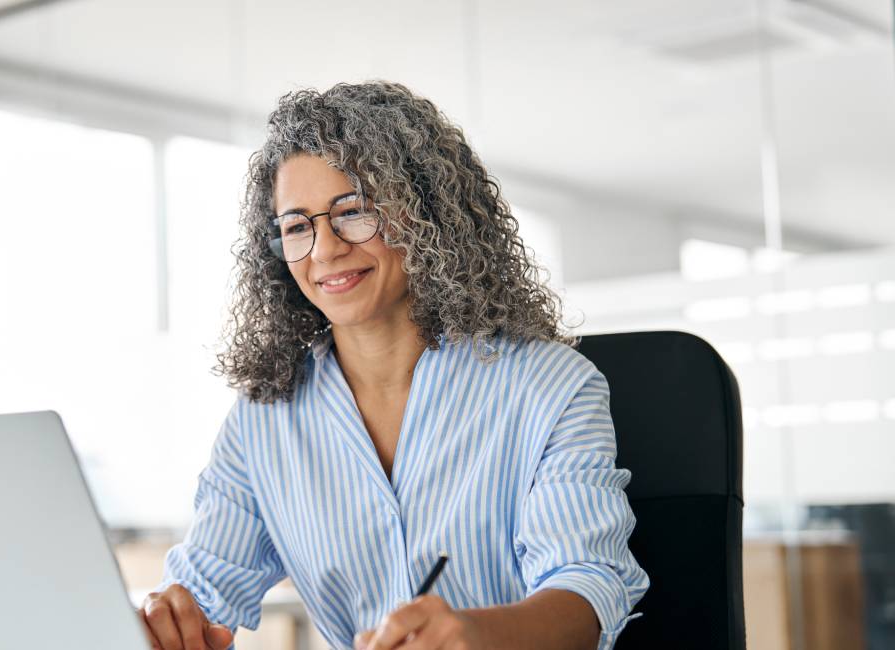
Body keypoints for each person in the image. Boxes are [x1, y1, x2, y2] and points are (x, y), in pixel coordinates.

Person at [137, 81, 648, 650]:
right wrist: (167, 618)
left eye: (353, 212)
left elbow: (586, 587)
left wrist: (473, 635)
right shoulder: (263, 421)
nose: (325, 250)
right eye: (298, 226)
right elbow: (202, 593)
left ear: (427, 215)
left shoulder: (549, 386)